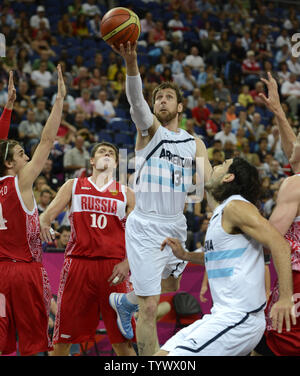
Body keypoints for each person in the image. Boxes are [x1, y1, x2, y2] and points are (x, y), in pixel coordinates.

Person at [108, 41, 212, 356]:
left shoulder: (194, 142)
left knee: (169, 288)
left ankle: (123, 302)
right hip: (146, 226)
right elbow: (136, 101)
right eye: (158, 97)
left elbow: (206, 178)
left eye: (168, 97)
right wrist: (132, 64)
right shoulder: (150, 131)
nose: (161, 100)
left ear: (180, 107)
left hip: (176, 224)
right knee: (151, 306)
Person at [154, 157, 295, 356]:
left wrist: (286, 298)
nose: (216, 166)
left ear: (229, 177)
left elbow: (280, 245)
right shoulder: (223, 211)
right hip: (219, 315)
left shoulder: (236, 206)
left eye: (223, 164)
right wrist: (185, 255)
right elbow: (217, 256)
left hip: (240, 318)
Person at [39, 142, 137, 356]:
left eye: (111, 153)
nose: (107, 154)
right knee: (62, 338)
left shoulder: (126, 193)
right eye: (102, 152)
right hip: (78, 265)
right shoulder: (73, 185)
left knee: (123, 340)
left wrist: (128, 263)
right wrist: (45, 223)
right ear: (92, 161)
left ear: (117, 162)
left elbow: (140, 237)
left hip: (114, 269)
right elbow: (46, 216)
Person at [0, 66, 66, 356]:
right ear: (11, 165)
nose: (27, 158)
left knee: (2, 344)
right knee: (33, 345)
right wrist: (60, 101)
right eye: (21, 155)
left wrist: (8, 109)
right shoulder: (21, 181)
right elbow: (47, 142)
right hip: (25, 273)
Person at [251, 72, 300, 355]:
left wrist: (236, 219)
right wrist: (279, 113)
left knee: (276, 345)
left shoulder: (294, 184)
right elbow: (294, 150)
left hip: (294, 275)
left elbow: (270, 236)